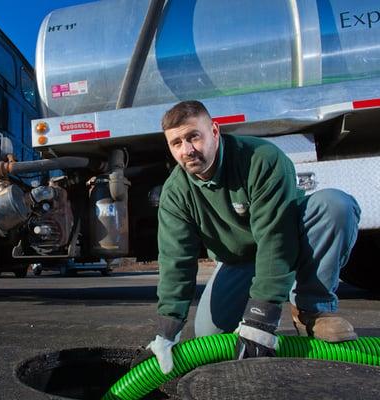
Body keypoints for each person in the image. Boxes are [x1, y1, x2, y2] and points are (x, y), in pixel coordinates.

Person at [146, 100, 361, 374]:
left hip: (290, 242)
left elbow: (277, 239)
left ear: (214, 131)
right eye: (176, 143)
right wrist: (167, 330)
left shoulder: (261, 159)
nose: (186, 150)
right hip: (239, 262)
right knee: (210, 337)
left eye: (193, 137)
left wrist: (261, 318)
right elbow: (175, 261)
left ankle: (312, 310)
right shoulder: (176, 192)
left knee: (335, 206)